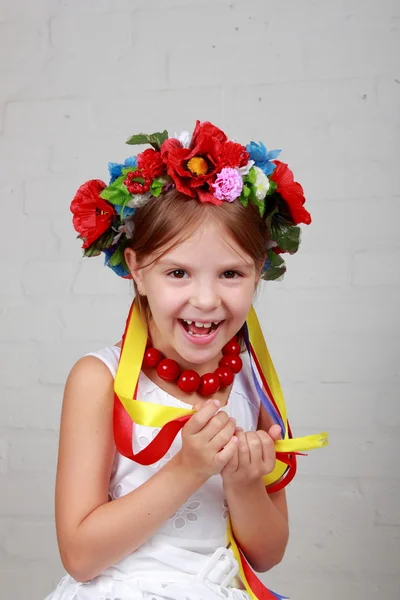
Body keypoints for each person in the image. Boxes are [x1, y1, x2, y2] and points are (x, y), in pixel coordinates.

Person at [45, 121, 327, 600]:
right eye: (178, 272)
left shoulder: (252, 385)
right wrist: (188, 469)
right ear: (137, 269)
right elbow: (80, 554)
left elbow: (268, 553)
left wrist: (243, 484)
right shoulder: (99, 378)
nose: (206, 299)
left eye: (231, 273)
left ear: (258, 271)